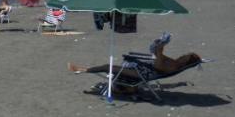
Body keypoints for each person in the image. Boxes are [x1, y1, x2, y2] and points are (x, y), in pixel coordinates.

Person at [69, 32, 202, 90]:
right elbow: (157, 57)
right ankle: (83, 70)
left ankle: (82, 69)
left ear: (186, 62)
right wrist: (158, 46)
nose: (184, 55)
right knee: (113, 67)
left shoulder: (173, 66)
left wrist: (160, 48)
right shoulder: (174, 63)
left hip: (141, 74)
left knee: (107, 66)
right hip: (142, 70)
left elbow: (158, 63)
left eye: (186, 56)